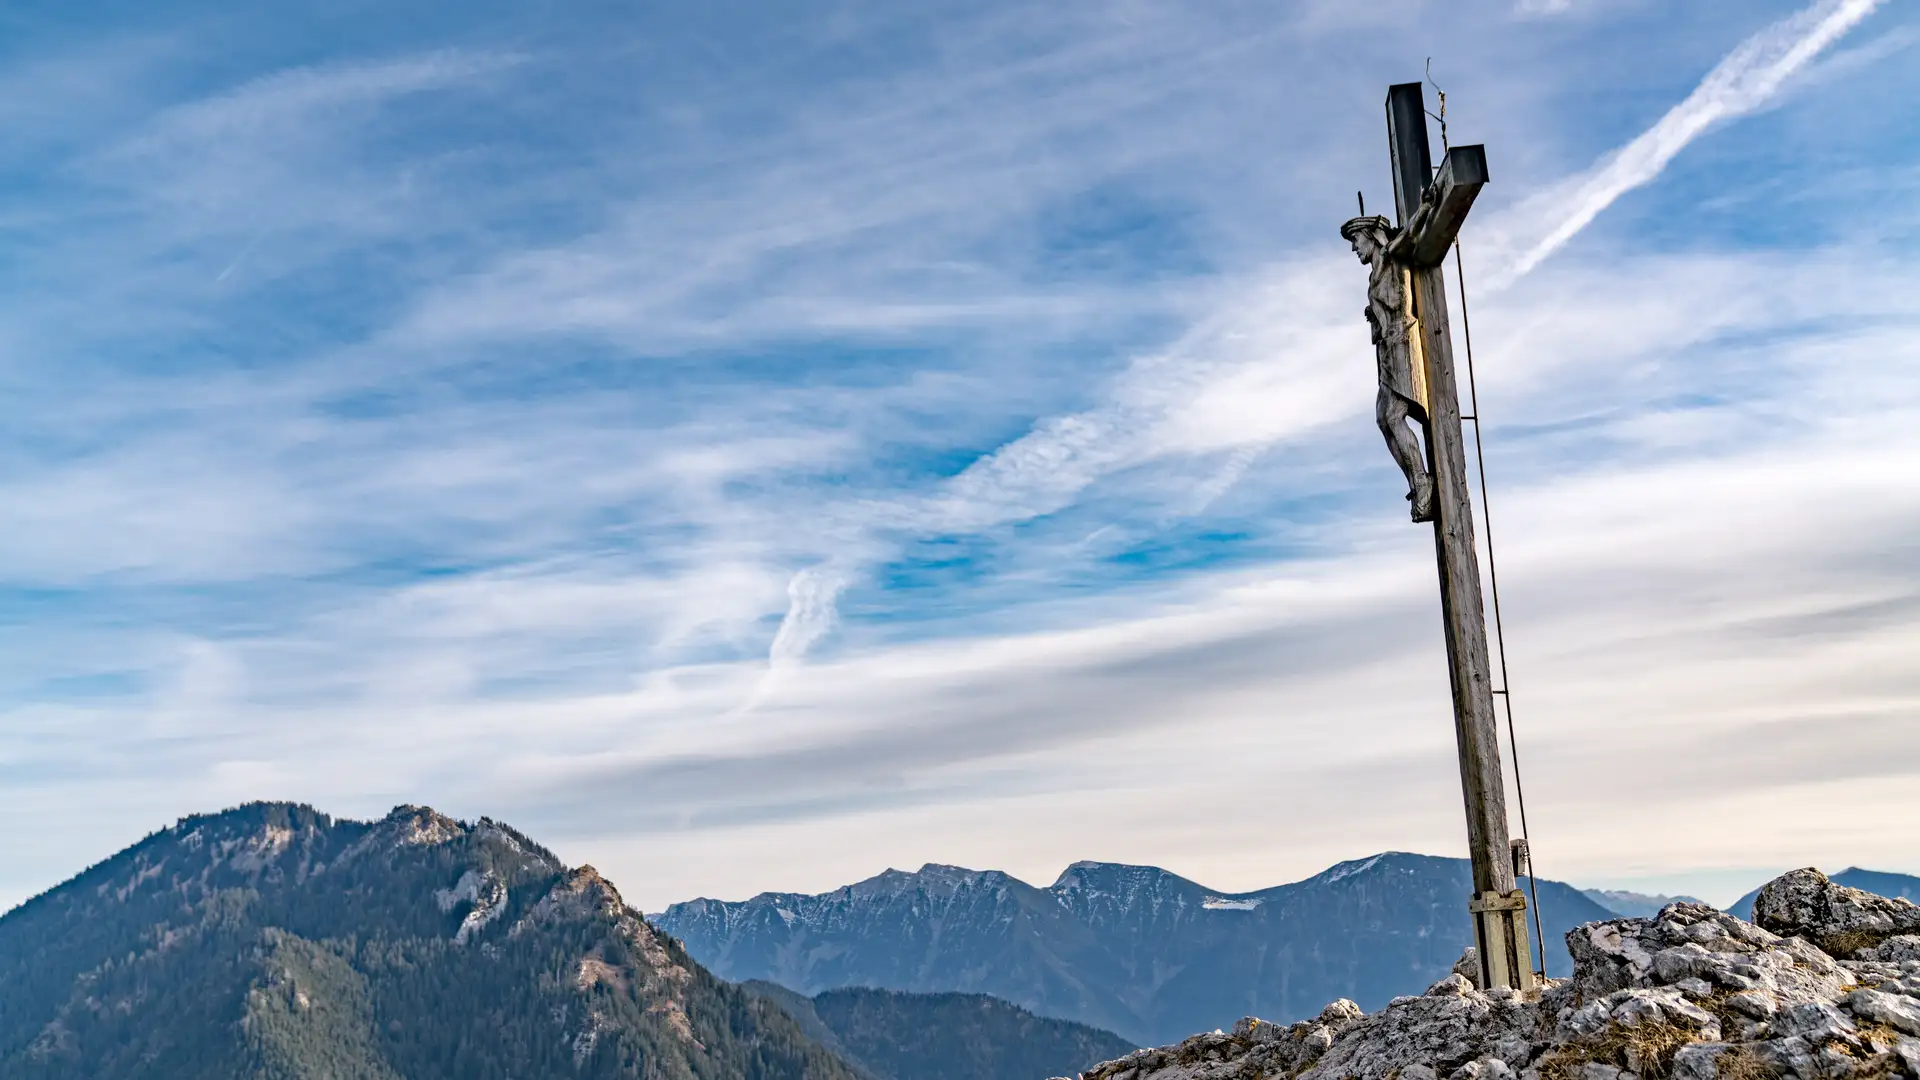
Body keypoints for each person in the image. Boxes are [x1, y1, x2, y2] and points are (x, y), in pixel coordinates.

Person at [1342, 214, 1435, 523]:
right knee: (1383, 419)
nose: (1355, 247)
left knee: (1394, 416)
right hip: (1386, 352)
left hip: (1402, 343)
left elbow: (1411, 232)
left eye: (1357, 240)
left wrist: (1424, 208)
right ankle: (1415, 482)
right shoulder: (1374, 277)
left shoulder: (1394, 255)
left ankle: (1423, 482)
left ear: (1372, 236)